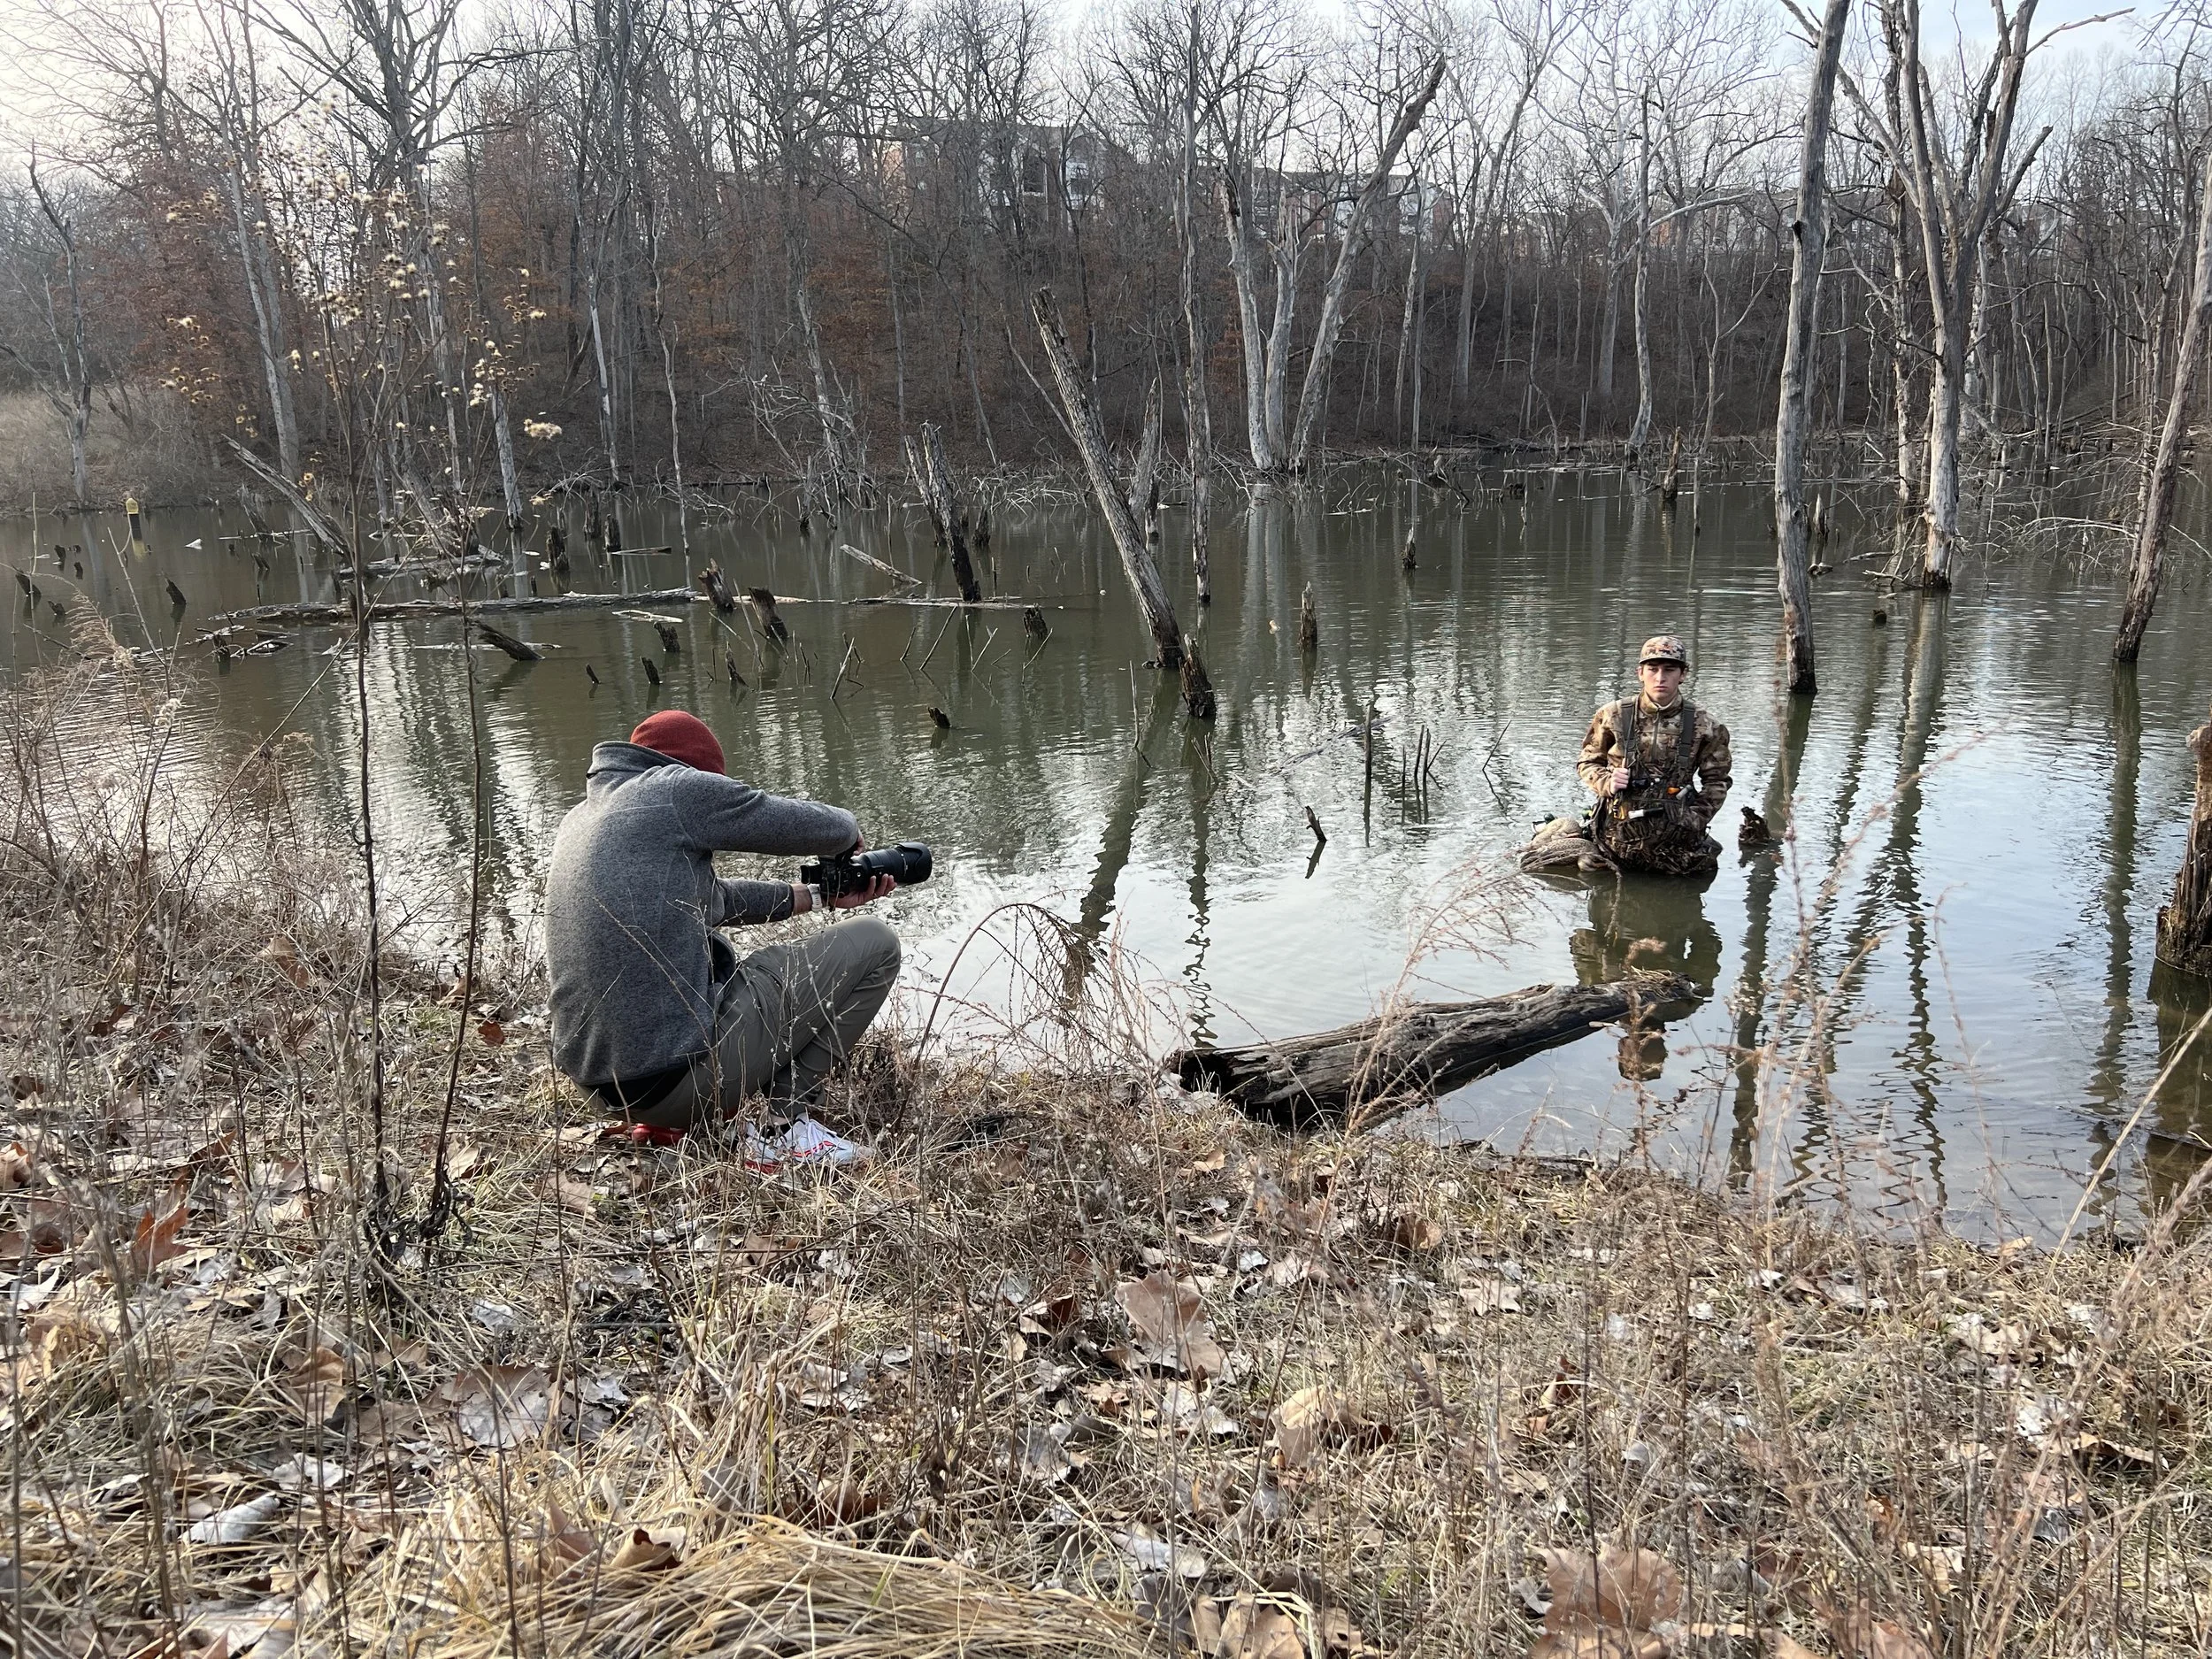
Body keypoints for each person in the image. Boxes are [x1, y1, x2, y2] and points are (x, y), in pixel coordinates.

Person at [544, 710, 902, 1133]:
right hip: (678, 1087)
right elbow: (821, 828)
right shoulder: (677, 789)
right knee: (878, 942)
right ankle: (787, 1128)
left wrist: (819, 895)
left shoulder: (583, 817)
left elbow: (714, 901)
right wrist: (848, 834)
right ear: (703, 775)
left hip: (601, 1091)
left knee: (715, 956)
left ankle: (664, 1123)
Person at [1575, 634, 1732, 878]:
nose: (1660, 678)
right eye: (1653, 669)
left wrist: (1698, 818)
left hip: (1677, 843)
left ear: (1683, 674)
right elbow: (1588, 761)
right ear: (1640, 672)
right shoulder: (1612, 715)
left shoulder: (1707, 724)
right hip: (1615, 838)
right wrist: (1606, 781)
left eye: (1669, 670)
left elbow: (1717, 781)